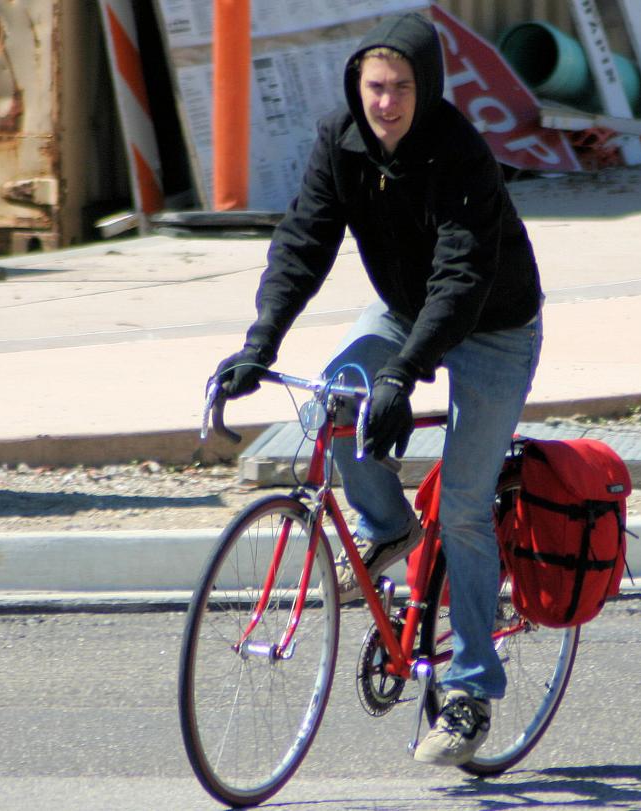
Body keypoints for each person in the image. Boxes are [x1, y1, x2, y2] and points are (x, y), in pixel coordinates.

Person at [211, 12, 543, 767]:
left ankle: (470, 692)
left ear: (425, 89)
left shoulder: (461, 152)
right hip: (400, 309)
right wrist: (260, 341)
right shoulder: (342, 139)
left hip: (493, 324)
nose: (384, 102)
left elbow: (462, 279)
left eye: (399, 88)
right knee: (333, 399)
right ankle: (388, 522)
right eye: (373, 86)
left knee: (462, 505)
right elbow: (303, 240)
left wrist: (404, 373)